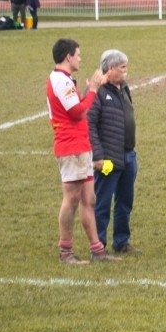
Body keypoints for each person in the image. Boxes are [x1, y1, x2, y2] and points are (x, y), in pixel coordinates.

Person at [46, 38, 112, 264]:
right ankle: (65, 251)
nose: (80, 58)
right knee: (71, 200)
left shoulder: (65, 80)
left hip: (81, 145)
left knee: (88, 199)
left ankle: (97, 250)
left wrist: (94, 89)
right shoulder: (60, 81)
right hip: (70, 146)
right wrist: (93, 90)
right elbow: (77, 112)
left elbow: (78, 108)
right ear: (68, 57)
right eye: (78, 54)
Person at [88, 49, 139, 255]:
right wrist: (98, 157)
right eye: (122, 67)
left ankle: (121, 241)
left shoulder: (124, 88)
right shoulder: (97, 92)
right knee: (102, 202)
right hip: (108, 159)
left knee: (125, 201)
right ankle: (98, 245)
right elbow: (89, 125)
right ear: (110, 69)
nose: (126, 71)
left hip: (128, 155)